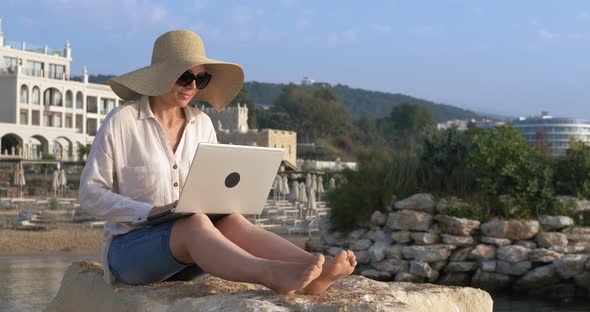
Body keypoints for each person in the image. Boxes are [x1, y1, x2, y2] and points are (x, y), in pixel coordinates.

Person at [79, 30, 356, 295]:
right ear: (161, 75)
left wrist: (226, 202)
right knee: (196, 223)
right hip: (130, 252)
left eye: (201, 79)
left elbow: (212, 186)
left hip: (194, 256)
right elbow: (91, 193)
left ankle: (314, 270)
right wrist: (151, 211)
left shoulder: (202, 124)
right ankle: (270, 274)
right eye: (185, 76)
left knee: (231, 220)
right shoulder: (122, 122)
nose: (192, 86)